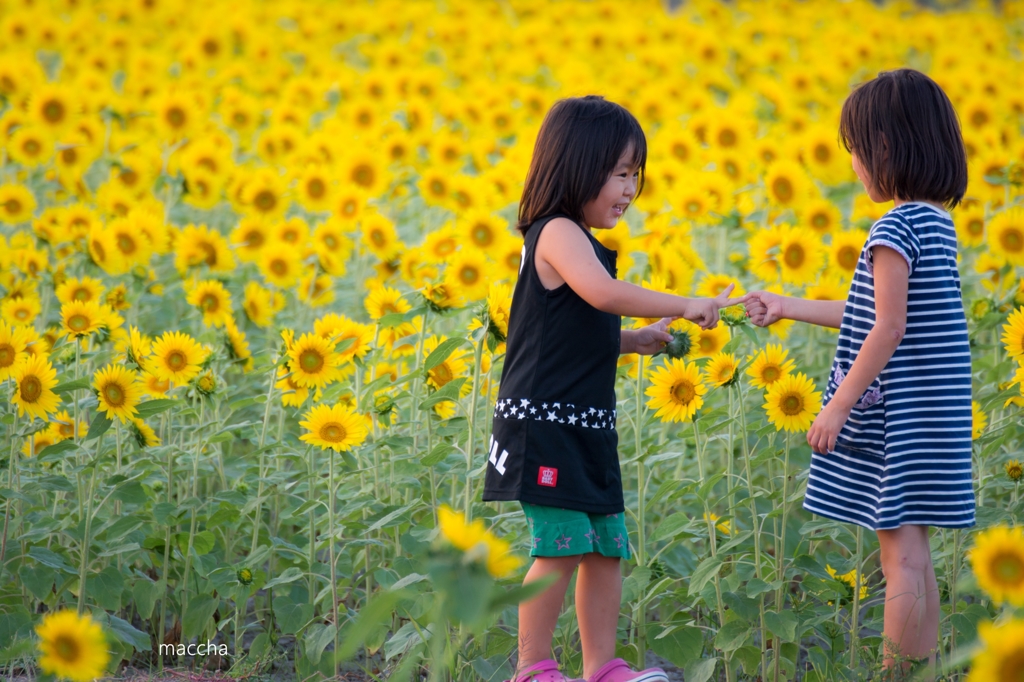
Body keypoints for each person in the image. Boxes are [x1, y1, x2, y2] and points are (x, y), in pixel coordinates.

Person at [482, 95, 738, 682]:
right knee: (561, 545)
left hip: (584, 423)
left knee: (604, 545)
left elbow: (568, 329)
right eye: (621, 173)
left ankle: (603, 668)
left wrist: (632, 340)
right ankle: (535, 669)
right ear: (577, 165)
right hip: (543, 424)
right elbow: (601, 296)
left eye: (635, 175)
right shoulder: (556, 233)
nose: (630, 189)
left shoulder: (585, 243)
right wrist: (685, 304)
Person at [743, 69, 974, 673]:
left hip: (901, 419)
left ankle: (894, 672)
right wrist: (788, 305)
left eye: (855, 149)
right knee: (915, 557)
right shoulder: (936, 224)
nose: (852, 164)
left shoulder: (893, 228)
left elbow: (887, 328)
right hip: (937, 413)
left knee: (896, 558)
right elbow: (881, 311)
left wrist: (838, 404)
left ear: (887, 150)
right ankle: (920, 671)